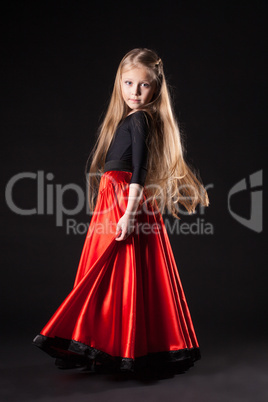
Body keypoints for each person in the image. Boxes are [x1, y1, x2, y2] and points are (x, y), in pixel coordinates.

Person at [32, 48, 209, 376]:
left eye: (143, 85)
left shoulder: (141, 118)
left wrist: (128, 213)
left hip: (124, 200)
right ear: (119, 83)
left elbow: (139, 169)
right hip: (115, 198)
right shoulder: (129, 118)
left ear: (156, 87)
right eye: (128, 83)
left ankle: (110, 344)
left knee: (114, 270)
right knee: (116, 273)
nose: (135, 92)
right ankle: (110, 343)